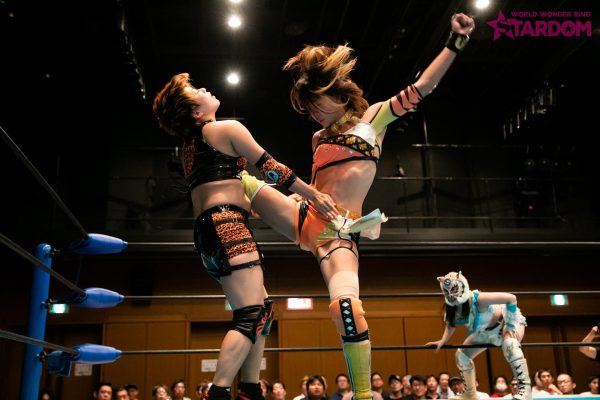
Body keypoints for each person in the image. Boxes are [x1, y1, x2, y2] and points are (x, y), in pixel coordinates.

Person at [240, 13, 475, 400]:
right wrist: (283, 197)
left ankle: (363, 394)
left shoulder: (372, 120)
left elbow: (423, 87)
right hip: (302, 216)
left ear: (337, 94)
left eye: (316, 104)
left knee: (346, 309)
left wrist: (456, 41)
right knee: (237, 176)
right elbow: (315, 186)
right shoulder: (317, 138)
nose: (314, 114)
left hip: (339, 235)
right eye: (308, 109)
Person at [153, 73, 337, 400]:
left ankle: (250, 389)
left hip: (210, 230)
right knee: (251, 314)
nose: (204, 87)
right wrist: (314, 195)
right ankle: (218, 392)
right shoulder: (226, 129)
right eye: (195, 89)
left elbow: (218, 187)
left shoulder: (191, 147)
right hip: (226, 225)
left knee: (262, 310)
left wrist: (262, 204)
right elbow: (271, 168)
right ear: (195, 111)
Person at [425, 271, 531, 400]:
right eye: (447, 293)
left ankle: (525, 391)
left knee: (510, 344)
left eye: (452, 291)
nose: (451, 296)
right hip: (484, 332)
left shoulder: (478, 298)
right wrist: (442, 340)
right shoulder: (451, 308)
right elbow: (450, 325)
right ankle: (470, 393)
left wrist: (509, 324)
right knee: (461, 355)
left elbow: (511, 298)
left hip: (505, 322)